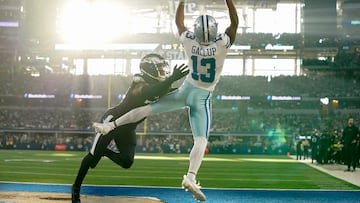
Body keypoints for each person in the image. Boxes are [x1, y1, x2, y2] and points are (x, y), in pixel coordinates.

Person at [93, 0, 238, 201]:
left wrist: (181, 2)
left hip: (185, 89)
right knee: (201, 139)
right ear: (214, 31)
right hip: (202, 96)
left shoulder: (189, 40)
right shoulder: (222, 44)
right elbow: (234, 23)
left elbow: (179, 23)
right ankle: (190, 176)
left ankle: (110, 126)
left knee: (147, 109)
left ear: (196, 31)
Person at [71, 53, 189, 203]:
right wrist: (172, 78)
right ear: (149, 69)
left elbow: (171, 91)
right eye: (159, 67)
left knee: (126, 162)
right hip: (112, 122)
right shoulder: (139, 82)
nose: (163, 71)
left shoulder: (158, 85)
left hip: (127, 128)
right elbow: (150, 92)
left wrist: (191, 88)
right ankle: (76, 188)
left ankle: (104, 151)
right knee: (92, 159)